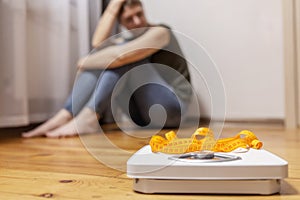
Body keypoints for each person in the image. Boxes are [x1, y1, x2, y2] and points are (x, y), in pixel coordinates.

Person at [22, 0, 192, 138]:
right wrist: (113, 7)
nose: (137, 22)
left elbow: (121, 57)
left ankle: (89, 116)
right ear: (120, 22)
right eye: (129, 19)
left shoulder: (161, 32)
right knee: (108, 57)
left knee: (124, 57)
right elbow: (98, 44)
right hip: (142, 116)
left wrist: (83, 61)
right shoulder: (126, 39)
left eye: (139, 14)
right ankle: (65, 115)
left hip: (172, 111)